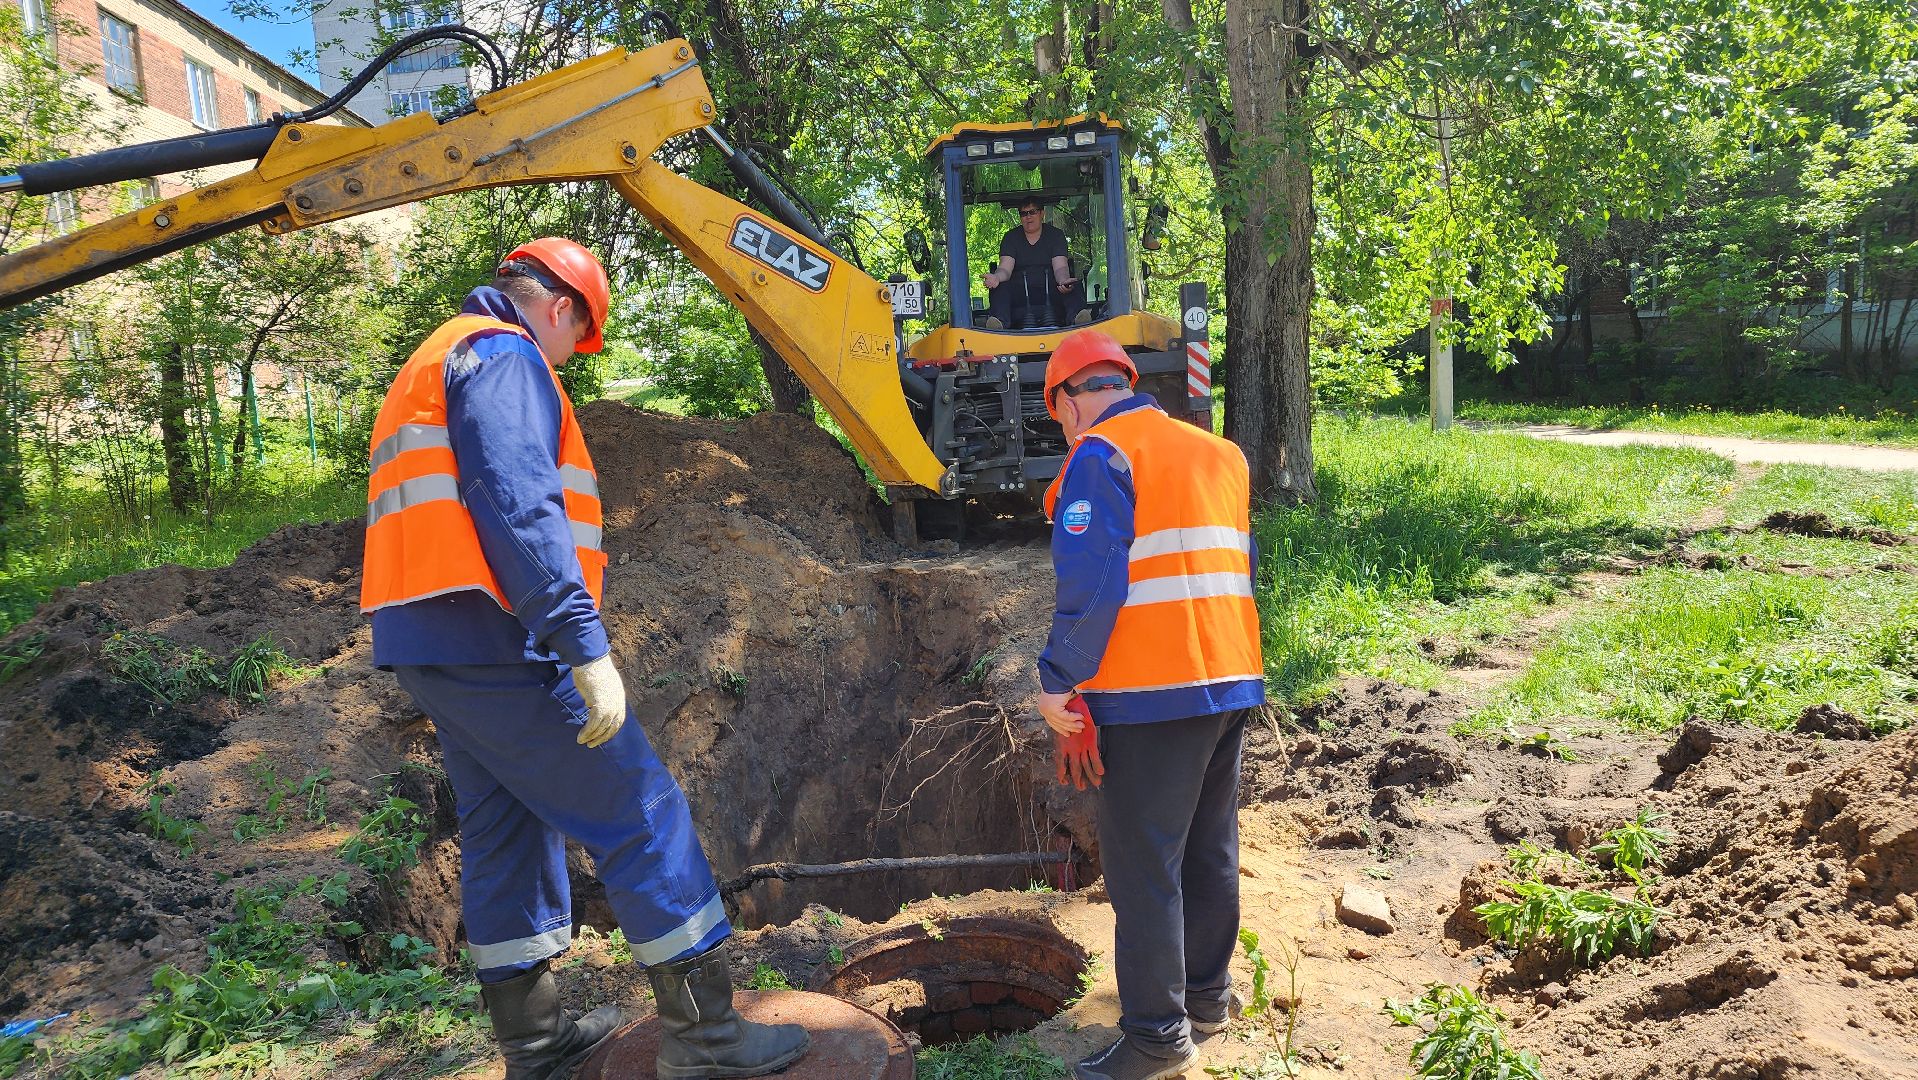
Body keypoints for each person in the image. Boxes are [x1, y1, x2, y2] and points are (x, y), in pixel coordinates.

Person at [359, 237, 809, 1080]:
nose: (572, 357)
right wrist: (580, 641)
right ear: (560, 308)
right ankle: (707, 1040)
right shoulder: (503, 355)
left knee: (503, 830)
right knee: (641, 811)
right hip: (500, 640)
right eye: (581, 339)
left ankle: (533, 1044)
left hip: (434, 641)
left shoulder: (440, 352)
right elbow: (516, 500)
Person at [1034, 329, 1266, 1080]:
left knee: (1144, 870)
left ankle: (1156, 1040)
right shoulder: (1219, 453)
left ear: (1070, 401)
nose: (1065, 426)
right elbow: (1236, 564)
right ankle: (1207, 1000)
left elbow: (1093, 584)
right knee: (1208, 850)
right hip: (1228, 682)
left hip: (1147, 695)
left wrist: (1057, 679)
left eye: (1059, 412)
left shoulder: (1100, 457)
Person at [982, 196, 1079, 329]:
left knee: (1073, 284)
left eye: (1032, 212)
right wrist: (997, 277)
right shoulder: (1011, 238)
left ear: (1042, 214)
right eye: (1024, 213)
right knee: (1000, 286)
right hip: (1019, 294)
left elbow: (1060, 267)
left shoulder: (1055, 235)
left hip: (1051, 291)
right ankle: (999, 324)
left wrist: (1064, 281)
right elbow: (1005, 268)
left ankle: (1078, 319)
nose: (1028, 217)